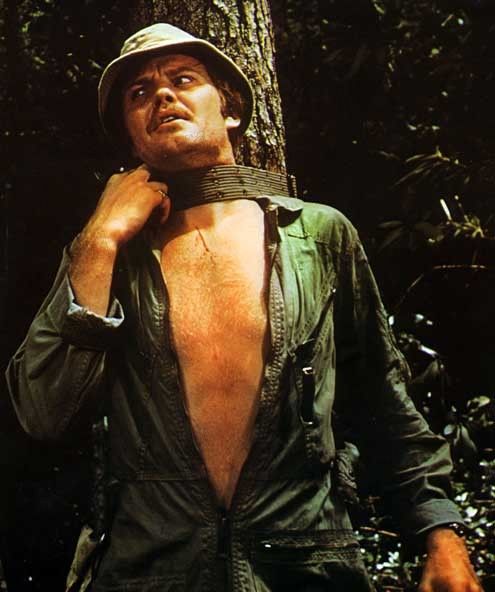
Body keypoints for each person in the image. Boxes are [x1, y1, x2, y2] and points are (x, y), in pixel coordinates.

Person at [6, 23, 482, 592]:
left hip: (306, 571)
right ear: (131, 139)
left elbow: (382, 398)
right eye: (139, 93)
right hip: (151, 572)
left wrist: (441, 534)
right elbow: (42, 411)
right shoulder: (106, 256)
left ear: (230, 110)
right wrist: (100, 239)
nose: (162, 95)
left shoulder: (317, 237)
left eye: (184, 79)